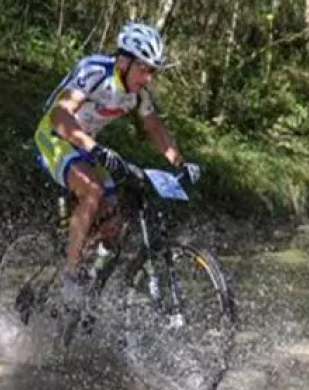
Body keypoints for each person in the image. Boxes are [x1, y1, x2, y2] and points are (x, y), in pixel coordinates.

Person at [33, 21, 200, 303]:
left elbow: (153, 126)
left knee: (114, 223)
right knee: (93, 190)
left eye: (152, 71)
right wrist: (93, 148)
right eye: (144, 69)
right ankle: (70, 277)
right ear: (124, 62)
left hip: (87, 146)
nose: (148, 78)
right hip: (55, 136)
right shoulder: (95, 71)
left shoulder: (138, 94)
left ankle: (87, 279)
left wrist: (179, 163)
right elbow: (59, 116)